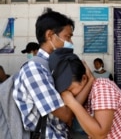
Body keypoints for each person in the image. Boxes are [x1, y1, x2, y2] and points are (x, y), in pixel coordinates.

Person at [13, 8, 93, 139]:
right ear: (50, 35)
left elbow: (70, 109)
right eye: (67, 37)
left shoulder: (54, 66)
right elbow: (66, 114)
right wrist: (89, 82)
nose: (71, 43)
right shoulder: (34, 69)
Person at [48, 48, 121, 139]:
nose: (68, 95)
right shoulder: (86, 96)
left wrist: (71, 102)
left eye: (70, 90)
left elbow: (100, 133)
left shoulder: (102, 87)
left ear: (84, 79)